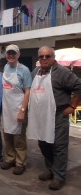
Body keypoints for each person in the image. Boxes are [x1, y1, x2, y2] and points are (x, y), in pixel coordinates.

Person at [27, 46, 81, 190]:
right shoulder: (36, 71)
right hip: (41, 116)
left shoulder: (62, 72)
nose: (44, 59)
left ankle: (59, 176)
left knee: (59, 146)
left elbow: (79, 86)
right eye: (41, 56)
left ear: (53, 57)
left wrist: (73, 106)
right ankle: (50, 169)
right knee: (44, 143)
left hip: (58, 115)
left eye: (48, 56)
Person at [1, 44, 32, 175]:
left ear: (18, 55)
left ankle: (20, 163)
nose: (11, 55)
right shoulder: (6, 67)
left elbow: (27, 91)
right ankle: (10, 158)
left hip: (18, 107)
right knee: (7, 135)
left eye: (13, 53)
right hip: (7, 108)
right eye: (9, 53)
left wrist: (22, 110)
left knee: (19, 138)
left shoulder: (24, 70)